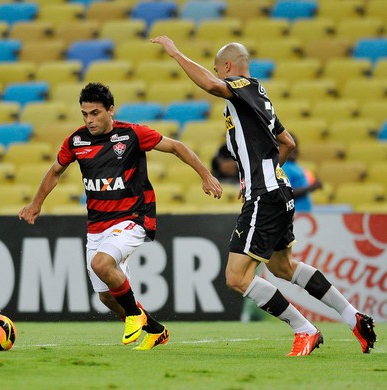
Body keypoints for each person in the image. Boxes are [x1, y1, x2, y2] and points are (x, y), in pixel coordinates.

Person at [151, 36, 377, 355]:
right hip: (278, 191)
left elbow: (213, 87)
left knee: (235, 277)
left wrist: (176, 54)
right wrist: (268, 171)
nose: (216, 74)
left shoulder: (240, 86)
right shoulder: (261, 97)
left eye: (218, 69)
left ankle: (305, 330)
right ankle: (354, 317)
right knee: (285, 267)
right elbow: (287, 142)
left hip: (264, 194)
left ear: (228, 67)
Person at [18, 82, 223, 350]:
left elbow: (176, 147)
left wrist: (205, 176)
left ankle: (135, 316)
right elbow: (55, 171)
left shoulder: (132, 135)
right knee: (106, 298)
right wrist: (36, 203)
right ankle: (156, 330)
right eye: (85, 114)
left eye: (95, 113)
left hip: (133, 217)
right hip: (97, 226)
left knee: (102, 265)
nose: (90, 120)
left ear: (110, 110)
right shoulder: (76, 141)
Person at [281, 133, 322, 212]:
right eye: (291, 145)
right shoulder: (284, 166)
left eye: (296, 145)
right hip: (294, 214)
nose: (294, 148)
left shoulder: (296, 166)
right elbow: (286, 193)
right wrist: (311, 188)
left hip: (304, 214)